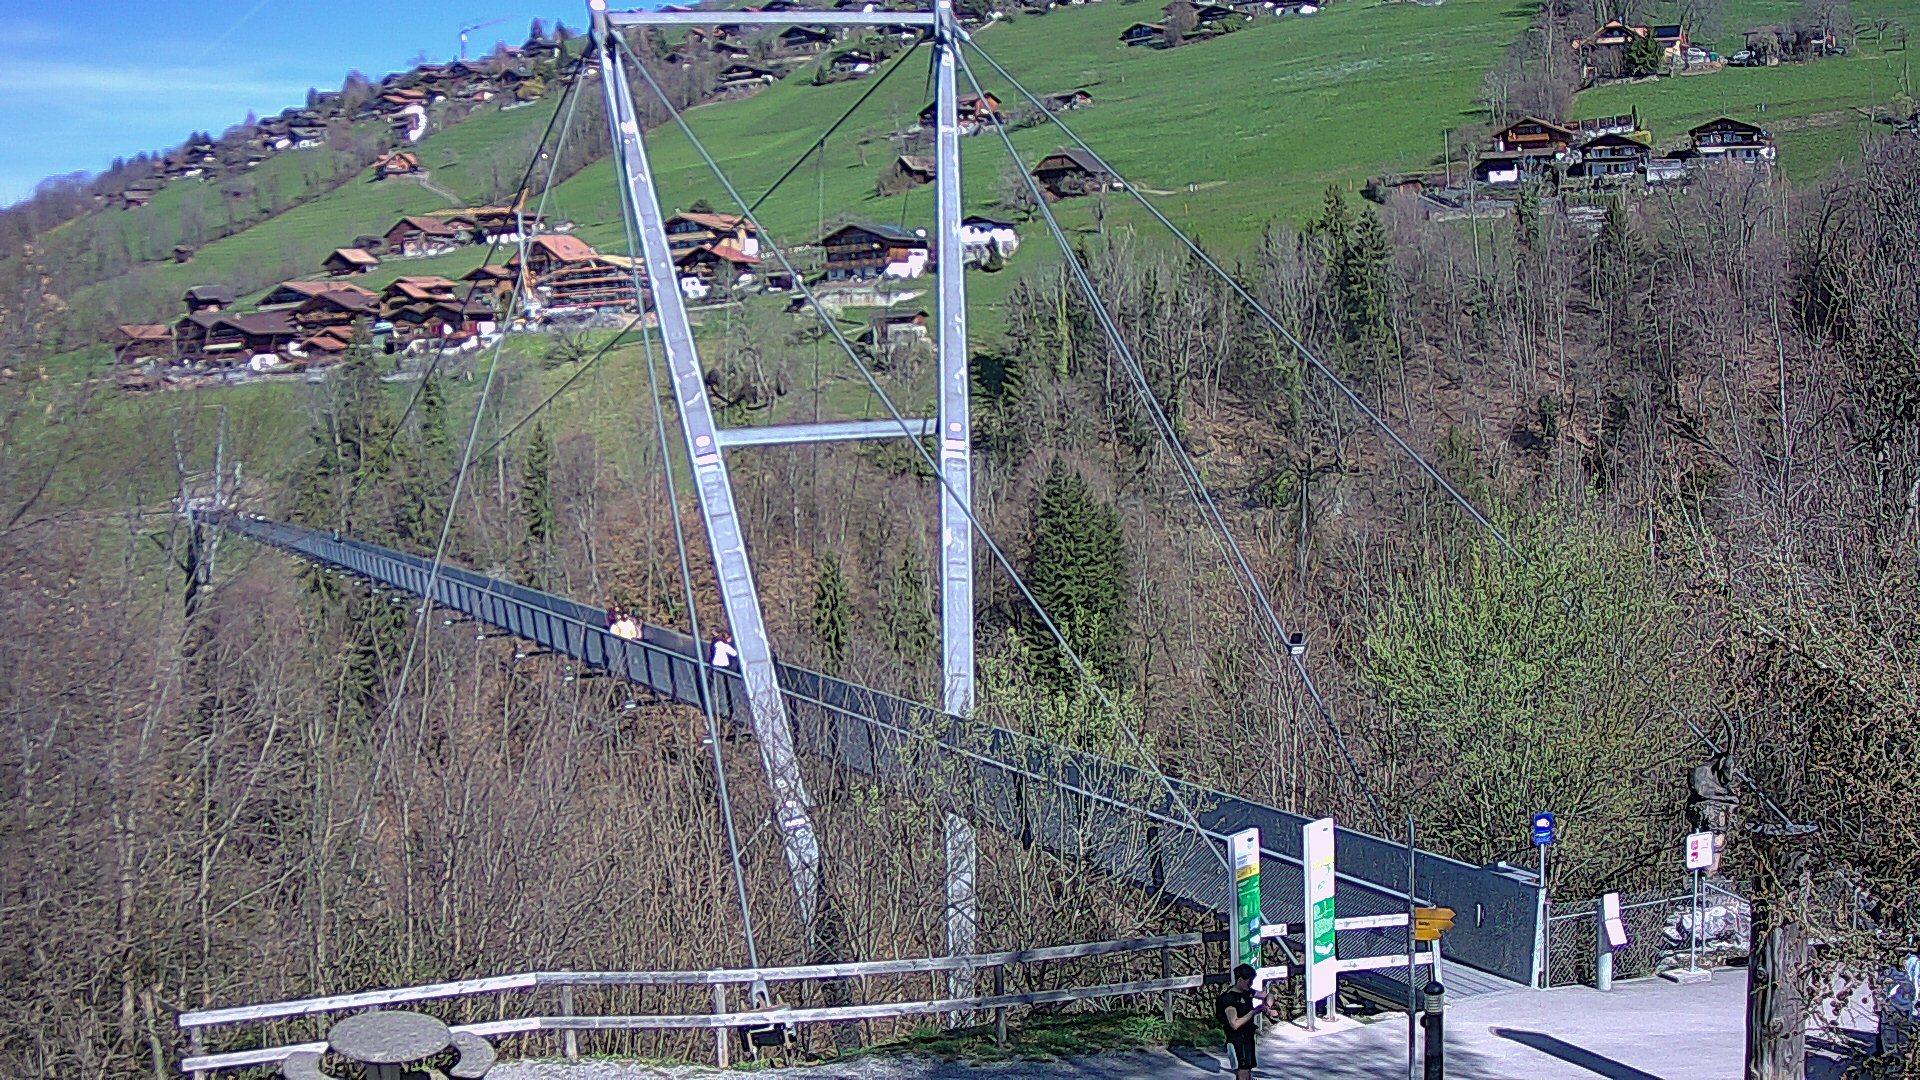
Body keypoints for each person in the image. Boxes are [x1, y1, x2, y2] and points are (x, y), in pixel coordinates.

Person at [1216, 962, 1277, 1079]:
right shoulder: (1230, 999)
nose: (1251, 983)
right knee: (1243, 1071)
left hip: (1247, 1038)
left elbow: (1268, 995)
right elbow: (1235, 1023)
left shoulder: (1247, 992)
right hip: (1237, 1040)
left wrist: (1267, 1007)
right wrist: (1254, 1011)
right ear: (1240, 980)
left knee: (1247, 1071)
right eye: (1249, 981)